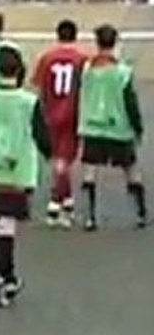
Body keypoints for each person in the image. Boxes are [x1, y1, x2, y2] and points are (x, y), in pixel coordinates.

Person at [0, 46, 51, 308]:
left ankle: (4, 277)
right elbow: (43, 137)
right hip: (18, 173)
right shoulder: (29, 102)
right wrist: (51, 153)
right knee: (6, 228)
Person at [77, 24, 147, 231]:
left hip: (92, 126)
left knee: (89, 170)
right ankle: (141, 213)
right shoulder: (123, 72)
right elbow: (130, 102)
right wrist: (138, 127)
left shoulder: (87, 70)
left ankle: (90, 217)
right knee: (131, 170)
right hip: (119, 128)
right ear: (115, 42)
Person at [32, 19, 88, 228]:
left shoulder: (47, 58)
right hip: (74, 114)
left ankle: (62, 201)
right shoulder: (82, 59)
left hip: (51, 113)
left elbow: (39, 86)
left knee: (59, 159)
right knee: (64, 160)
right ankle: (60, 203)